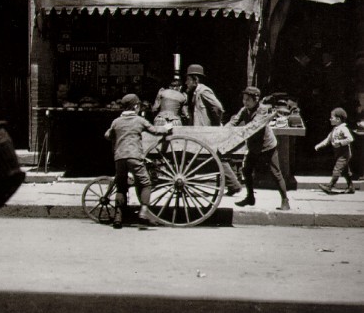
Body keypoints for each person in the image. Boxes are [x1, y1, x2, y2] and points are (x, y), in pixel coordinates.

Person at [105, 93, 171, 229]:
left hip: (119, 158)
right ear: (135, 106)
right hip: (134, 156)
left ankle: (118, 217)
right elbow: (154, 130)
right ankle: (144, 211)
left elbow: (107, 135)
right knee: (146, 183)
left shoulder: (116, 121)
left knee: (121, 186)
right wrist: (166, 128)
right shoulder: (139, 120)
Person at [228, 86, 291, 211]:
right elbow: (234, 121)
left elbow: (254, 125)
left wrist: (239, 132)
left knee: (275, 173)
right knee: (246, 170)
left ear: (256, 100)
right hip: (254, 147)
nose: (245, 102)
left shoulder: (262, 110)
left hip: (267, 146)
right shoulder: (244, 110)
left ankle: (285, 200)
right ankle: (250, 197)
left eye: (248, 100)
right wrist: (224, 131)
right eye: (244, 99)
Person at [185, 64, 242, 196]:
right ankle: (233, 185)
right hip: (199, 131)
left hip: (206, 132)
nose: (186, 83)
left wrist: (214, 125)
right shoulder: (195, 93)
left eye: (188, 79)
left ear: (196, 80)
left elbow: (218, 108)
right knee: (206, 156)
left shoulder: (204, 91)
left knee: (217, 157)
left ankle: (234, 184)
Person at [315, 107, 355, 194]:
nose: (330, 119)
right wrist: (319, 145)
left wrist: (340, 142)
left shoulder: (343, 128)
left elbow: (350, 138)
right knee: (345, 171)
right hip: (338, 153)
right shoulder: (335, 129)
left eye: (331, 117)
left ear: (338, 119)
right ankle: (351, 187)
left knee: (337, 169)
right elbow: (328, 139)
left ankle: (330, 186)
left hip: (344, 153)